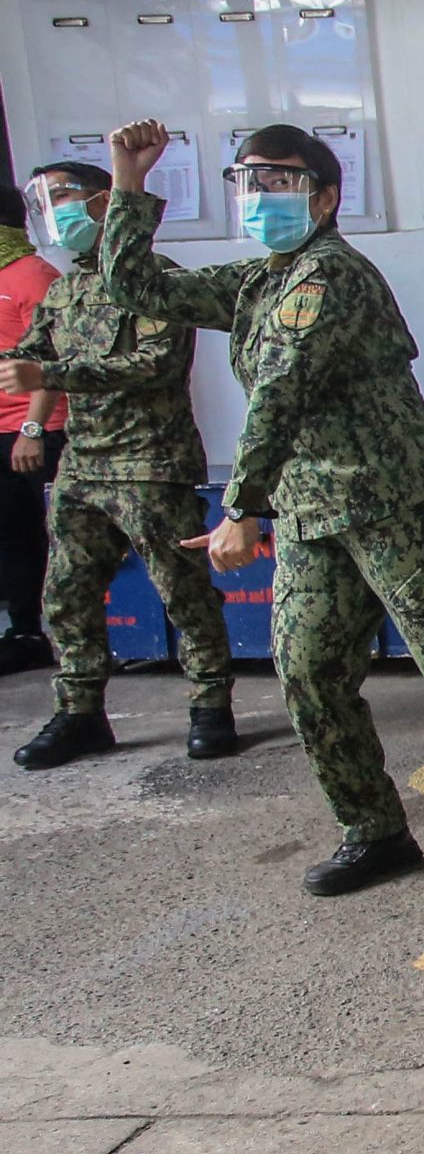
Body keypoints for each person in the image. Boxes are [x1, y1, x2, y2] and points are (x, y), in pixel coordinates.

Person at [98, 119, 424, 895]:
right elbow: (138, 290)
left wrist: (239, 510)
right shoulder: (261, 280)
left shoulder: (331, 276)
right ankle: (374, 831)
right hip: (313, 515)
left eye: (279, 179)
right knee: (308, 675)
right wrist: (129, 183)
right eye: (247, 180)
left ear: (326, 197)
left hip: (397, 505)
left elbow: (279, 395)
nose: (260, 194)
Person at [1, 161, 236, 768]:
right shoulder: (65, 288)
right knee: (68, 594)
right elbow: (32, 352)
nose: (52, 211)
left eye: (62, 196)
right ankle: (80, 712)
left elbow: (154, 364)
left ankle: (211, 705)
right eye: (41, 200)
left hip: (151, 461)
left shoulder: (155, 280)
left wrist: (49, 374)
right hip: (83, 465)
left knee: (181, 590)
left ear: (104, 202)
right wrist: (26, 367)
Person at [0, 181, 67, 677]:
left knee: (52, 537)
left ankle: (63, 634)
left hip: (35, 430)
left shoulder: (33, 276)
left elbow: (53, 360)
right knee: (12, 537)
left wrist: (33, 428)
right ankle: (24, 630)